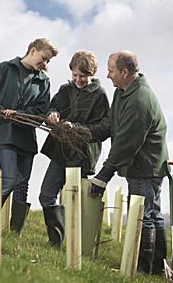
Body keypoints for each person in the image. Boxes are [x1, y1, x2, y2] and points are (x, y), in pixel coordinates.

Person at [88, 50, 169, 275]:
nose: (107, 76)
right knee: (152, 214)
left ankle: (145, 269)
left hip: (146, 167)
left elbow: (125, 143)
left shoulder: (140, 100)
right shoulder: (122, 92)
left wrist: (103, 176)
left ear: (124, 72)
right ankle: (156, 267)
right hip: (141, 165)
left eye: (111, 71)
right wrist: (85, 132)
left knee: (144, 217)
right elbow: (113, 126)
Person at [0, 38, 58, 235]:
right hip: (4, 134)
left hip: (27, 139)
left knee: (22, 186)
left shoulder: (43, 81)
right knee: (10, 180)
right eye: (44, 58)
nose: (45, 64)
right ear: (33, 50)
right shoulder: (5, 69)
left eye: (48, 61)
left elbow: (41, 110)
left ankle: (15, 233)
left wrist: (21, 114)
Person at [39, 50, 110, 249]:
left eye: (83, 76)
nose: (78, 79)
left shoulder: (100, 95)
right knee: (46, 195)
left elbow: (105, 128)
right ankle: (56, 241)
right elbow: (52, 107)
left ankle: (79, 245)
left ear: (92, 73)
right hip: (60, 152)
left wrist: (77, 129)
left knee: (77, 202)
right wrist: (52, 114)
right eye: (75, 75)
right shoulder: (64, 90)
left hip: (83, 156)